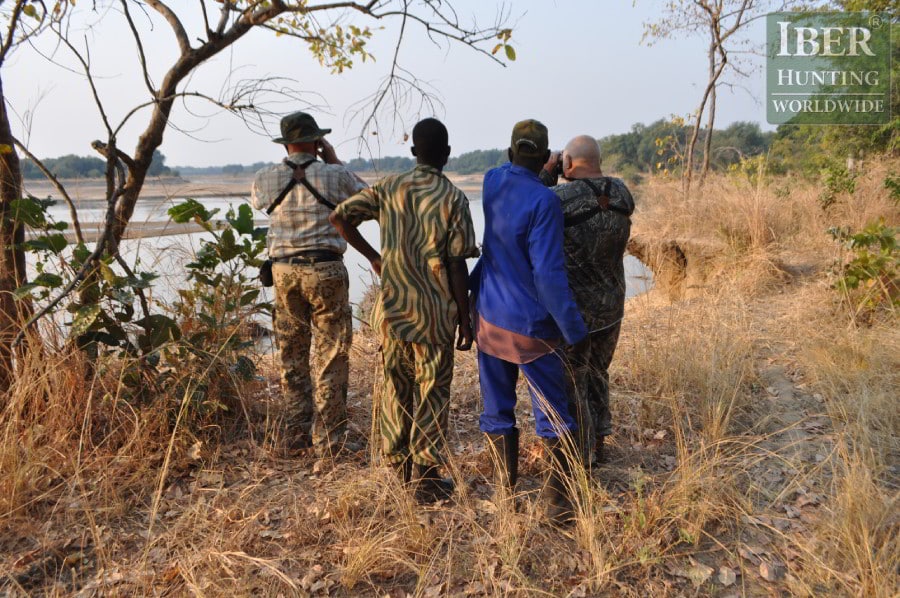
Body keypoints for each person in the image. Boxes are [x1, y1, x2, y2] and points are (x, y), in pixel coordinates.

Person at [329, 118, 479, 503]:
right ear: (447, 154)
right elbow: (457, 264)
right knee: (432, 393)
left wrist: (374, 257)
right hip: (434, 315)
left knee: (396, 389)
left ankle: (399, 469)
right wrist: (465, 319)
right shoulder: (453, 198)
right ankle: (425, 479)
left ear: (413, 152)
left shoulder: (389, 188)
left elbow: (339, 217)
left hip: (393, 314)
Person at [471, 119, 588, 525]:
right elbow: (548, 276)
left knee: (497, 408)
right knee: (553, 414)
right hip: (531, 328)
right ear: (545, 158)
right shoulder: (546, 202)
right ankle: (557, 506)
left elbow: (516, 180)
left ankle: (505, 493)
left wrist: (539, 172)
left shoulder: (492, 181)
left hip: (489, 318)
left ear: (509, 153)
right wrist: (574, 330)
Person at [250, 111, 367, 458]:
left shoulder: (264, 177)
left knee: (291, 353)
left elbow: (259, 202)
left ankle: (297, 433)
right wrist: (333, 160)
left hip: (284, 272)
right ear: (317, 141)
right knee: (332, 354)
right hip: (326, 268)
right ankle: (330, 440)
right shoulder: (336, 175)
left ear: (285, 144)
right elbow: (369, 197)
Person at [541, 135, 635, 466]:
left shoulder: (558, 198)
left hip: (576, 313)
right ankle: (599, 442)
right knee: (598, 373)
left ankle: (581, 455)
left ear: (567, 162)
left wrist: (547, 173)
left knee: (573, 381)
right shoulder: (622, 191)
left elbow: (533, 205)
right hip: (612, 306)